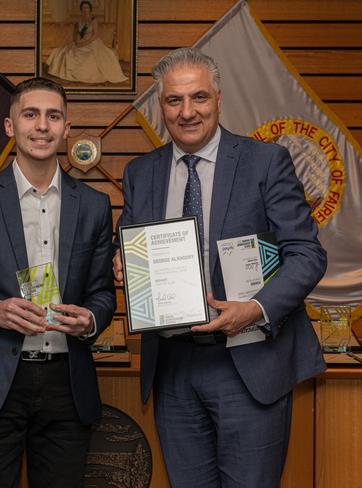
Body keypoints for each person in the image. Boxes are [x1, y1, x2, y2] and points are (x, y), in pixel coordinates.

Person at [114, 48, 326, 488]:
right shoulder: (140, 172)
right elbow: (131, 244)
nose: (187, 112)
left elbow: (306, 254)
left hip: (249, 363)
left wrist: (255, 308)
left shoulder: (264, 162)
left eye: (199, 98)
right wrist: (122, 264)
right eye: (174, 100)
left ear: (218, 99)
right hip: (173, 368)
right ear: (161, 105)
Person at [0, 77, 116, 488]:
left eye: (53, 116)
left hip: (67, 383)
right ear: (10, 126)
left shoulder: (94, 206)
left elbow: (104, 293)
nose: (42, 126)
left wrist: (90, 319)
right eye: (30, 114)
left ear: (67, 129)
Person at [46, 1, 127, 84]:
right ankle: (70, 74)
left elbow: (95, 35)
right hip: (81, 41)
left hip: (92, 42)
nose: (85, 10)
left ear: (90, 9)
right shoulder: (79, 21)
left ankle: (86, 76)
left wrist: (84, 43)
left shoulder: (93, 20)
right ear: (81, 10)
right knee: (68, 52)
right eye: (83, 8)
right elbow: (77, 33)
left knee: (90, 56)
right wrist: (78, 42)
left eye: (87, 8)